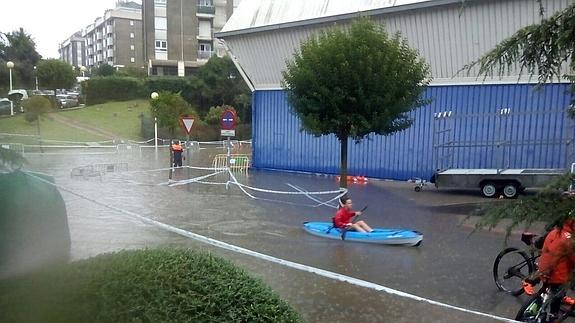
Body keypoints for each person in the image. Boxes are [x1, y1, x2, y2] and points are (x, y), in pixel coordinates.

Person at [522, 191, 575, 315]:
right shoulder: (563, 220)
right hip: (556, 236)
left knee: (558, 264)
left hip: (558, 236)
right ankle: (530, 280)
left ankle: (553, 294)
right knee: (555, 263)